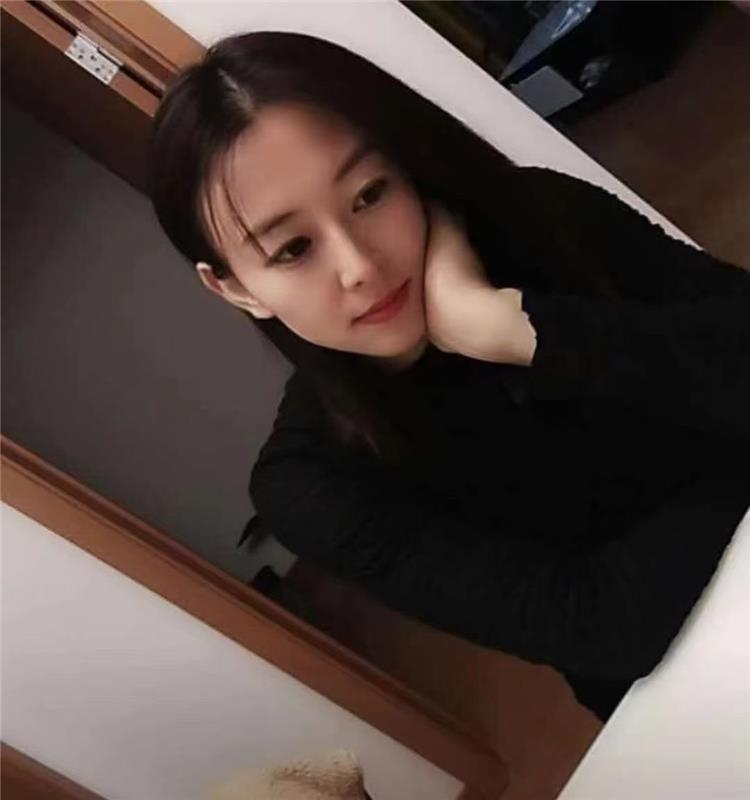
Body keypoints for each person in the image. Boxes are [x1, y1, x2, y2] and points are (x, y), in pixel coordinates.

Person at [149, 31, 750, 723]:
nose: (360, 266)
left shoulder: (539, 213)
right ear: (234, 289)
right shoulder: (311, 486)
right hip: (697, 694)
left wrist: (516, 330)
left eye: (370, 194)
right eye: (293, 249)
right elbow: (605, 625)